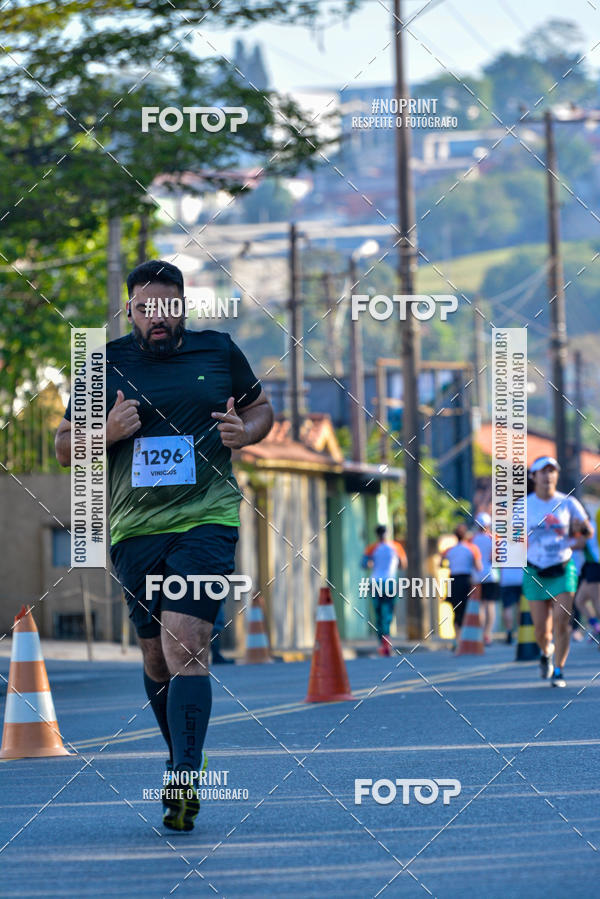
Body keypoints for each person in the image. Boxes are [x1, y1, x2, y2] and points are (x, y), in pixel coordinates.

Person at [55, 259, 273, 830]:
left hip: (208, 518)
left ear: (183, 307)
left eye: (167, 306)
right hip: (135, 530)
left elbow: (260, 408)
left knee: (187, 642)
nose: (156, 317)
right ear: (129, 309)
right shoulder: (103, 365)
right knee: (156, 656)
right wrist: (106, 432)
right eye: (144, 307)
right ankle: (179, 754)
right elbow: (61, 446)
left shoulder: (218, 350)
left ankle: (184, 774)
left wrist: (245, 432)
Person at [521, 455, 592, 687]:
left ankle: (559, 670)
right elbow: (510, 537)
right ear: (533, 476)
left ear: (556, 475)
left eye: (552, 471)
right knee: (541, 630)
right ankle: (546, 653)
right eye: (543, 471)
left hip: (563, 568)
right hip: (535, 570)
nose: (547, 476)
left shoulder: (568, 503)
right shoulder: (524, 505)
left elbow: (586, 528)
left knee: (562, 621)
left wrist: (583, 531)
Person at [361, 525, 407, 656]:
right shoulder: (396, 547)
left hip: (375, 582)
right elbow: (403, 564)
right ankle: (386, 640)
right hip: (390, 582)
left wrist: (372, 563)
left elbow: (364, 564)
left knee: (378, 613)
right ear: (388, 533)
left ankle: (382, 643)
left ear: (376, 535)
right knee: (388, 612)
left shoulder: (371, 548)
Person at [440, 523, 482, 650]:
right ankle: (464, 639)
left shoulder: (449, 550)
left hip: (453, 580)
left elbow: (441, 564)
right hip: (466, 580)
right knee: (466, 611)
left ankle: (456, 640)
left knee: (455, 610)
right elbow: (478, 566)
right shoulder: (472, 549)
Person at [471, 512, 500, 646]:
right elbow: (497, 556)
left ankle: (481, 634)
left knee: (481, 605)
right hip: (491, 573)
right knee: (490, 605)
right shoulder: (493, 538)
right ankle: (488, 634)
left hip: (477, 575)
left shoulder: (472, 539)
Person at [572, 513, 600, 644]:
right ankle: (596, 627)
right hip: (589, 566)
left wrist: (560, 546)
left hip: (595, 565)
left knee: (596, 601)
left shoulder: (589, 527)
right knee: (580, 600)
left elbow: (580, 545)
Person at [499, 566, 522, 644]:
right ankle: (521, 632)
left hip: (506, 580)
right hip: (521, 578)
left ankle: (509, 632)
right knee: (521, 608)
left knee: (507, 608)